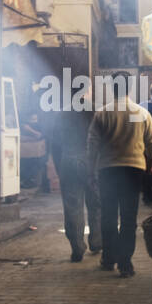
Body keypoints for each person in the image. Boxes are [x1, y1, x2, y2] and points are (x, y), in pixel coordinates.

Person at [88, 78, 152, 277]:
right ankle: (125, 264)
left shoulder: (103, 113)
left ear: (112, 89)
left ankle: (108, 259)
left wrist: (91, 170)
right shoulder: (141, 113)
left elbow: (92, 144)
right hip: (133, 170)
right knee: (128, 218)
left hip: (108, 170)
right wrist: (150, 165)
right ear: (130, 89)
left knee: (109, 216)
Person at [51, 95, 102, 262]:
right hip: (91, 161)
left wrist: (60, 168)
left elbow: (55, 144)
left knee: (73, 206)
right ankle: (96, 241)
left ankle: (77, 247)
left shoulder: (61, 113)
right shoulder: (95, 110)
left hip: (69, 160)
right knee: (96, 204)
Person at [20, 111, 47, 190]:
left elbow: (41, 136)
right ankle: (27, 181)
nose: (34, 121)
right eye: (32, 119)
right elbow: (21, 137)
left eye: (35, 119)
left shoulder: (39, 126)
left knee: (35, 165)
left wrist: (33, 133)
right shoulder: (24, 126)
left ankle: (33, 181)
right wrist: (32, 135)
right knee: (26, 165)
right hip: (25, 153)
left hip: (37, 154)